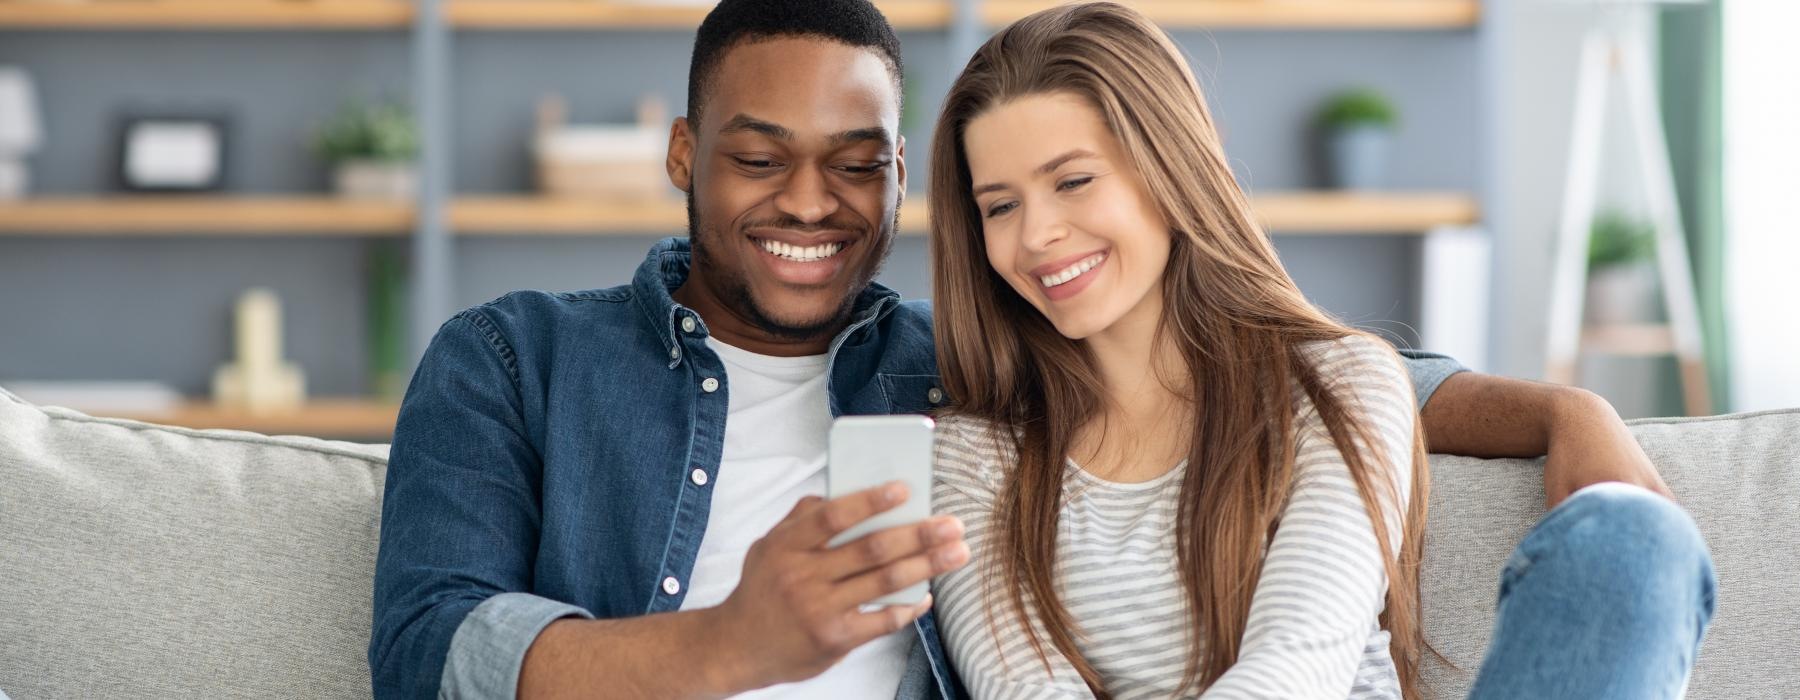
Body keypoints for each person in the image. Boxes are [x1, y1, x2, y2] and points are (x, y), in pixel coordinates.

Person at [369, 1, 1690, 698]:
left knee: (1627, 547)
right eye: (758, 158)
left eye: (856, 166)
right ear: (682, 155)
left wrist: (1564, 411)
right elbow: (431, 648)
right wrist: (729, 646)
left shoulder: (942, 375)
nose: (809, 206)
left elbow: (1304, 374)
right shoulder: (512, 358)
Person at [924, 4, 1715, 699]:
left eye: (1072, 182)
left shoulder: (1338, 386)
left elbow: (1296, 670)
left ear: (1170, 169)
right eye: (1000, 205)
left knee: (1636, 541)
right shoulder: (976, 455)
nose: (1036, 236)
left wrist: (1572, 411)